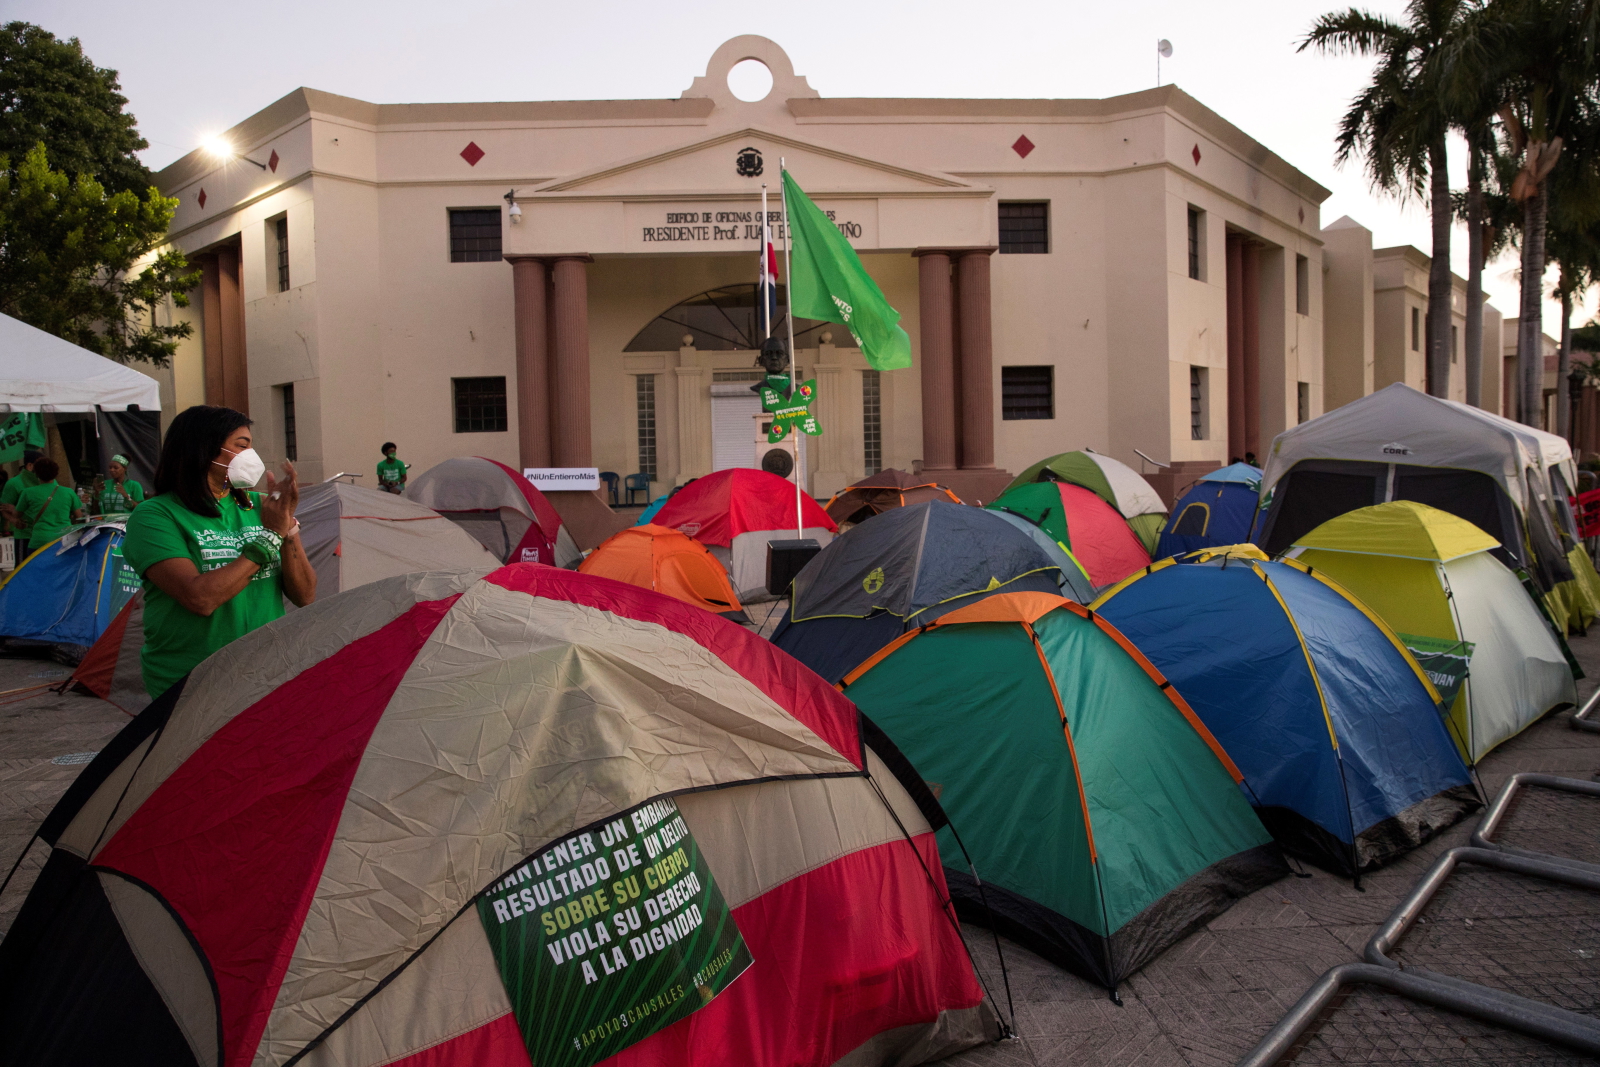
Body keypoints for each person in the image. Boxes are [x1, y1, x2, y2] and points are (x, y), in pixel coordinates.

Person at [121, 406, 316, 698]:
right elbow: (200, 598)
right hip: (191, 680)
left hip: (265, 673)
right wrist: (269, 536)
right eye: (242, 446)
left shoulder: (262, 506)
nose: (252, 456)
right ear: (204, 448)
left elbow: (305, 596)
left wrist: (286, 527)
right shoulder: (155, 515)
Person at [3, 457, 84, 558]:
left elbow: (17, 515)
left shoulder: (28, 493)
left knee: (36, 572)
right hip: (63, 540)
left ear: (36, 473)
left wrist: (12, 509)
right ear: (56, 473)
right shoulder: (69, 492)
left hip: (39, 541)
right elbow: (79, 517)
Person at [0, 449, 44, 542]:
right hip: (25, 535)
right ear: (29, 465)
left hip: (50, 535)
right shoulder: (13, 483)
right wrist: (14, 520)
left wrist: (15, 510)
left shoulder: (50, 481)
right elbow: (4, 509)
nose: (44, 467)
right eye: (41, 464)